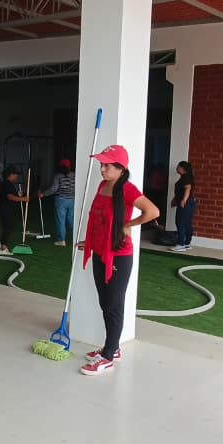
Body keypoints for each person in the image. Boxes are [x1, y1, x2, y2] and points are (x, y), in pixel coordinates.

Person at [77, 144, 159, 376]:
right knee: (105, 302)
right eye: (101, 165)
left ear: (121, 169)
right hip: (100, 251)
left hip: (119, 255)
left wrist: (127, 225)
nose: (102, 169)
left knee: (113, 305)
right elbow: (99, 219)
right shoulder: (102, 185)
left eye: (107, 165)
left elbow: (152, 212)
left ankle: (107, 356)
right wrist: (90, 241)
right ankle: (112, 348)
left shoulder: (128, 190)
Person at [39, 159, 75, 247]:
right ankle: (76, 236)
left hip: (61, 200)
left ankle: (62, 240)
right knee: (71, 220)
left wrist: (43, 194)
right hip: (72, 200)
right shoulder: (74, 175)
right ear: (69, 166)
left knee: (61, 221)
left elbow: (54, 188)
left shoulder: (58, 176)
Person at [0, 165, 29, 255]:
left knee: (8, 227)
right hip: (7, 209)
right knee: (9, 227)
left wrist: (18, 194)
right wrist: (23, 199)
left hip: (5, 209)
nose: (17, 176)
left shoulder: (6, 183)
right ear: (11, 174)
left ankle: (1, 243)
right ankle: (3, 249)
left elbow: (10, 195)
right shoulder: (8, 184)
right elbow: (10, 197)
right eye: (16, 174)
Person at [170, 160, 196, 252]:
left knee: (180, 222)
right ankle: (187, 243)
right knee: (186, 223)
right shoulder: (185, 177)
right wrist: (175, 199)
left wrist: (184, 200)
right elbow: (180, 191)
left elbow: (187, 188)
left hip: (186, 203)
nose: (177, 168)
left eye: (178, 166)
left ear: (182, 168)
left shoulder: (186, 177)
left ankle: (181, 244)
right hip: (188, 203)